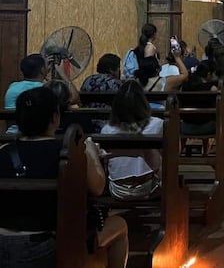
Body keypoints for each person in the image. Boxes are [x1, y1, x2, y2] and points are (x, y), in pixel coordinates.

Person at [0, 86, 129, 268]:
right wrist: (91, 154)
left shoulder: (4, 151)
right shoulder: (69, 153)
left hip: (3, 243)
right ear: (55, 118)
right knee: (119, 224)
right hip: (49, 247)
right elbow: (98, 187)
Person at [100, 80, 163, 200]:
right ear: (143, 103)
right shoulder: (158, 124)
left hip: (118, 190)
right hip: (149, 187)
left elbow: (106, 164)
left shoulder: (107, 129)